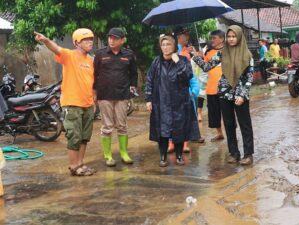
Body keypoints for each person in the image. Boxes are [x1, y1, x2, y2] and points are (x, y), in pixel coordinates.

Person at [34, 29, 96, 176]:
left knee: (84, 137)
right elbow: (56, 48)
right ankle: (74, 166)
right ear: (77, 43)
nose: (90, 42)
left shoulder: (91, 60)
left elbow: (93, 83)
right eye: (85, 40)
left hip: (88, 104)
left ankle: (80, 163)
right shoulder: (69, 55)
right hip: (72, 103)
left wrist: (94, 100)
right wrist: (45, 40)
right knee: (74, 136)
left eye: (91, 39)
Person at [192, 25, 255, 165]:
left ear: (239, 37)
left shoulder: (247, 55)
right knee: (228, 123)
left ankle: (248, 154)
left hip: (240, 94)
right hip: (224, 92)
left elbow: (249, 77)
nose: (231, 39)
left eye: (234, 36)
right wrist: (197, 57)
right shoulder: (222, 53)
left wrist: (242, 95)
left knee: (245, 124)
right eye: (229, 37)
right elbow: (207, 67)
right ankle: (234, 153)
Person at [145, 34, 200, 167]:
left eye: (168, 44)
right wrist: (148, 99)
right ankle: (163, 157)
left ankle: (179, 156)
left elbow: (188, 76)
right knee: (162, 131)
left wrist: (178, 61)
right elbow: (149, 81)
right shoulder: (156, 62)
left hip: (179, 102)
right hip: (161, 102)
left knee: (179, 129)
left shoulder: (183, 60)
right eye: (163, 45)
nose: (165, 47)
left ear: (174, 46)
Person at [93, 27, 138, 167]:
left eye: (115, 38)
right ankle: (108, 156)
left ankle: (124, 154)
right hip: (104, 95)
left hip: (122, 95)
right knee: (107, 126)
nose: (112, 40)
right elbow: (94, 74)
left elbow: (133, 74)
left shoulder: (129, 55)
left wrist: (132, 88)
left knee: (122, 126)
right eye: (110, 38)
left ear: (122, 40)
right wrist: (94, 93)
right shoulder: (100, 54)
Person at [199, 30, 225, 142]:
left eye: (214, 38)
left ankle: (230, 134)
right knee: (214, 114)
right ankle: (220, 133)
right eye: (211, 38)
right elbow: (204, 67)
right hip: (211, 88)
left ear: (222, 39)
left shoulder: (227, 52)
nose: (212, 40)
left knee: (228, 114)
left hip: (225, 89)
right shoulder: (208, 53)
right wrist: (200, 56)